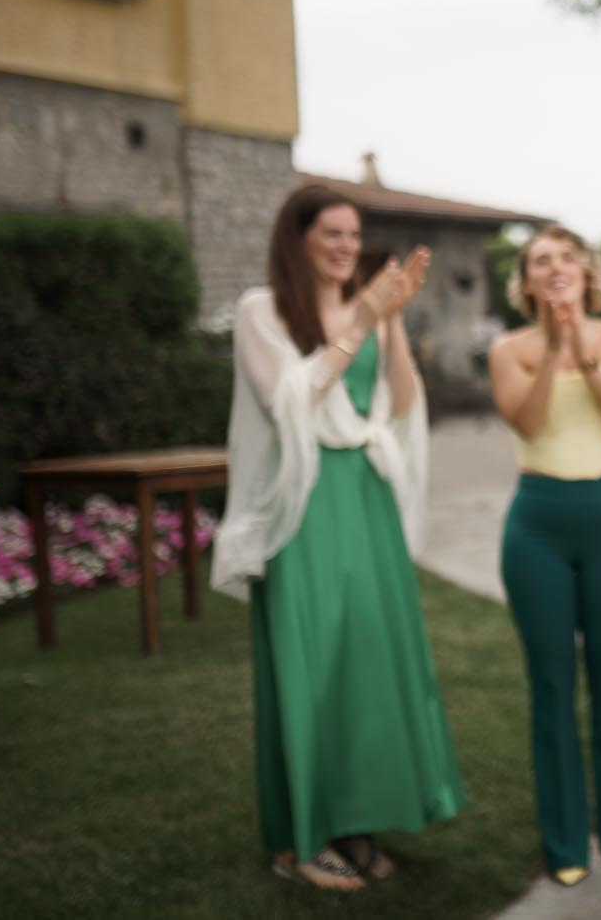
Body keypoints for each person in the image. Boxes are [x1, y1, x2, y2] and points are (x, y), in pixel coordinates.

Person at [213, 184, 465, 891]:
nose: (347, 246)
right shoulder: (261, 311)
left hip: (366, 495)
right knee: (312, 664)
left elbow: (401, 404)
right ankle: (301, 841)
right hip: (305, 505)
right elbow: (288, 400)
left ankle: (356, 821)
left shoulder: (371, 310)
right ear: (297, 238)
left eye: (354, 234)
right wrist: (362, 317)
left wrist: (393, 320)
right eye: (332, 232)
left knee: (367, 663)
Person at [489, 225, 601, 888]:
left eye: (565, 258)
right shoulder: (509, 349)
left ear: (585, 272)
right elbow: (526, 422)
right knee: (551, 684)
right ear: (526, 282)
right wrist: (554, 345)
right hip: (537, 527)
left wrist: (581, 352)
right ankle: (563, 840)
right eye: (540, 261)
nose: (554, 267)